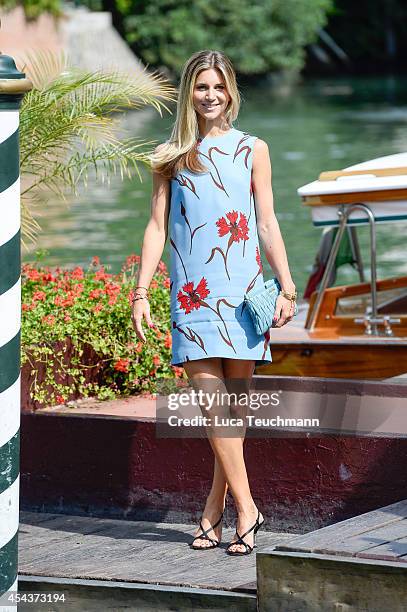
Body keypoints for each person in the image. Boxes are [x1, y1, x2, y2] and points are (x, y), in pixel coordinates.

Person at [131, 50, 296, 556]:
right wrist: (140, 292)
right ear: (188, 92)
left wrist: (287, 287)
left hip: (245, 293)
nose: (210, 95)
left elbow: (266, 222)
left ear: (231, 92)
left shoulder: (253, 149)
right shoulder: (169, 155)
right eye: (201, 86)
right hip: (192, 296)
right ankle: (249, 510)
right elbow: (158, 227)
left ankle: (212, 509)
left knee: (232, 414)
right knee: (214, 410)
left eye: (218, 86)